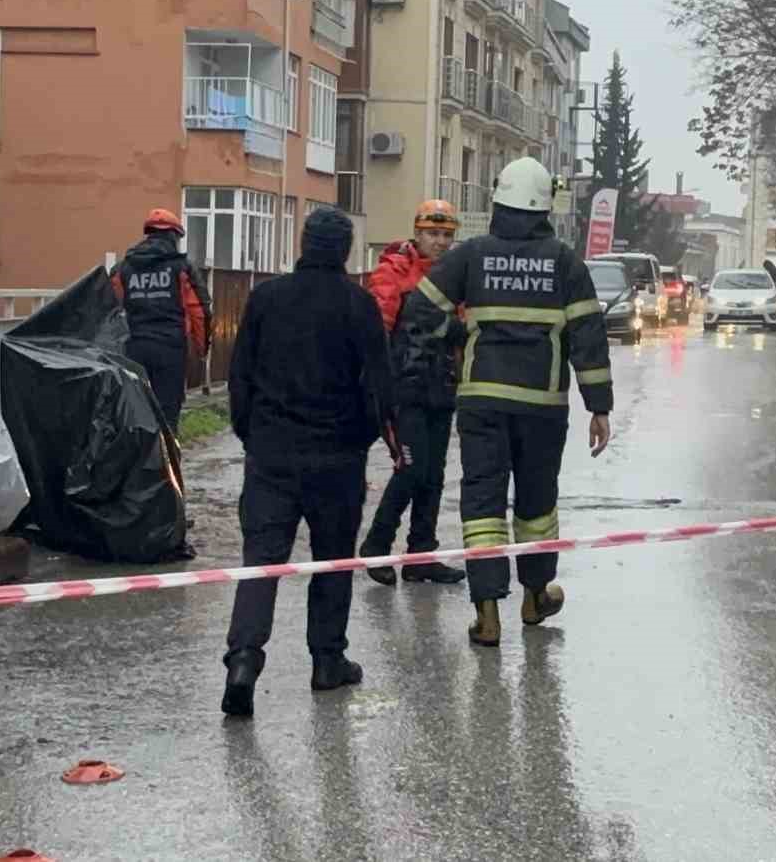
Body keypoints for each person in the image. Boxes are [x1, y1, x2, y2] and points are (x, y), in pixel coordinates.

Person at [396, 157, 613, 648]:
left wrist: (459, 334)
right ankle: (535, 596)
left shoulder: (472, 255)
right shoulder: (564, 262)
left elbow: (419, 308)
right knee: (537, 503)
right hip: (542, 406)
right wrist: (599, 407)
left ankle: (487, 613)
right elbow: (588, 338)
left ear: (498, 202)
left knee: (482, 502)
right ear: (544, 206)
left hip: (482, 402)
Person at [221, 207, 398, 718]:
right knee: (332, 559)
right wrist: (366, 437)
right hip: (337, 457)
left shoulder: (266, 298)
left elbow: (239, 377)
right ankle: (327, 661)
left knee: (261, 561)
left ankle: (244, 659)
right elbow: (380, 386)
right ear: (345, 250)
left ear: (302, 243)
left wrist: (252, 435)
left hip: (271, 454)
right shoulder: (359, 305)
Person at [359, 199, 468, 586]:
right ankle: (376, 546)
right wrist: (376, 387)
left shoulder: (455, 277)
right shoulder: (393, 271)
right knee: (411, 469)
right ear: (417, 233)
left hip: (441, 387)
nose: (440, 242)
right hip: (402, 390)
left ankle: (422, 554)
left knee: (433, 474)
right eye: (432, 234)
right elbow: (375, 333)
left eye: (446, 235)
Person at [110, 209, 213, 431]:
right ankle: (167, 453)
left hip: (134, 350)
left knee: (136, 414)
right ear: (174, 236)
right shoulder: (181, 268)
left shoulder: (123, 269)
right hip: (170, 350)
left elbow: (109, 310)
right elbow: (199, 311)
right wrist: (202, 349)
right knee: (167, 415)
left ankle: (139, 452)